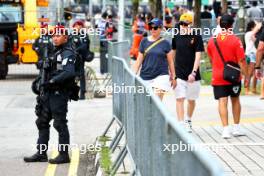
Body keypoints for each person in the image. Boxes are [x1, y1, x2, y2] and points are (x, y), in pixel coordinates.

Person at [24, 25, 79, 164]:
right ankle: (41, 153)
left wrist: (52, 81)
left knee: (60, 124)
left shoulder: (68, 52)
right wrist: (39, 83)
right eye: (53, 36)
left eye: (58, 35)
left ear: (65, 37)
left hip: (59, 93)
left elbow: (69, 72)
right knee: (42, 122)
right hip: (47, 93)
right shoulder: (53, 51)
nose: (55, 38)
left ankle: (64, 154)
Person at [207, 14, 247, 139]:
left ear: (220, 24)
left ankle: (225, 130)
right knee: (235, 99)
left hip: (218, 75)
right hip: (233, 75)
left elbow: (211, 58)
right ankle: (236, 128)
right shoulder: (236, 40)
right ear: (231, 25)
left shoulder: (212, 40)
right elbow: (241, 61)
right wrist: (246, 75)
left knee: (222, 101)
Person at [172, 13, 204, 133]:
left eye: (186, 24)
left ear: (191, 24)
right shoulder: (176, 36)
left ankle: (188, 120)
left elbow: (198, 56)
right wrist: (172, 72)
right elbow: (173, 53)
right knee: (179, 98)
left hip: (192, 75)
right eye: (181, 24)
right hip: (179, 72)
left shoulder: (196, 36)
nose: (183, 26)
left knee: (191, 100)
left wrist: (194, 72)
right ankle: (180, 124)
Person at [133, 18, 176, 100]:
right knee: (146, 102)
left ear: (161, 28)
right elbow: (139, 60)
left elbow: (170, 62)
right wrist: (133, 75)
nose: (152, 29)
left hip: (161, 75)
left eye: (155, 27)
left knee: (157, 99)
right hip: (145, 75)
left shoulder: (166, 43)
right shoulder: (144, 41)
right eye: (150, 27)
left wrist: (174, 77)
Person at [70, 20, 90, 100]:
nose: (78, 27)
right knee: (72, 75)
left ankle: (82, 93)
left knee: (81, 75)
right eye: (76, 26)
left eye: (79, 26)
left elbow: (84, 46)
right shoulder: (71, 35)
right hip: (72, 58)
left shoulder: (84, 35)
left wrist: (76, 50)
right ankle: (72, 92)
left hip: (80, 58)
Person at [244, 21, 261, 95]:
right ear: (252, 27)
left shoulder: (251, 34)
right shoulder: (249, 33)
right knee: (249, 73)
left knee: (255, 73)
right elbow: (256, 29)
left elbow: (254, 39)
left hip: (253, 53)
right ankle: (247, 89)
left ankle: (253, 89)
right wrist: (258, 25)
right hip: (250, 54)